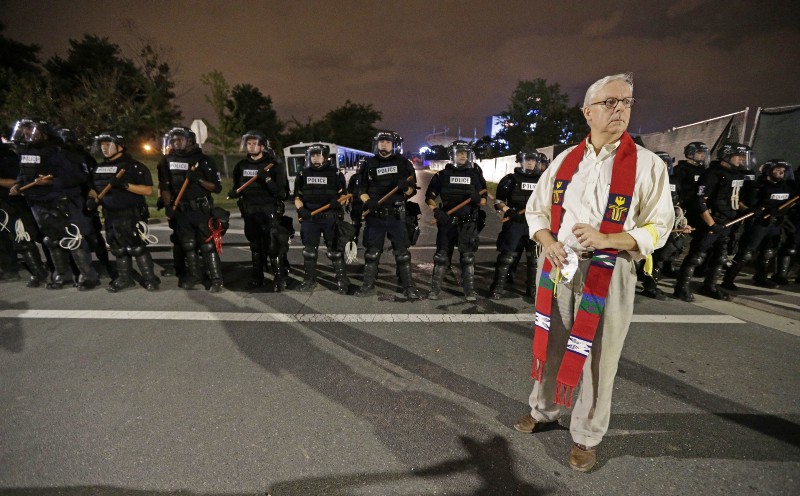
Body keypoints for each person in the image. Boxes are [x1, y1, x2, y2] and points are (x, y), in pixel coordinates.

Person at [513, 73, 674, 472]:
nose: (620, 109)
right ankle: (544, 409)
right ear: (588, 112)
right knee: (551, 342)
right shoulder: (567, 160)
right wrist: (547, 241)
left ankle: (586, 435)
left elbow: (660, 226)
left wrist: (609, 239)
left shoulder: (647, 165)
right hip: (557, 264)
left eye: (627, 102)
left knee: (599, 357)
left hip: (609, 269)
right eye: (610, 102)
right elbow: (535, 211)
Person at [8, 118, 100, 290]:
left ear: (43, 132)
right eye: (25, 130)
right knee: (51, 240)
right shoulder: (27, 152)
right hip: (38, 203)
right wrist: (19, 185)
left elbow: (79, 177)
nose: (27, 134)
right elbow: (24, 173)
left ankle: (88, 276)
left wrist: (52, 182)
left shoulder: (61, 151)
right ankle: (61, 274)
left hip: (62, 201)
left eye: (30, 130)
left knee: (74, 239)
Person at [673, 143, 752, 302]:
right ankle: (681, 288)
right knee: (696, 257)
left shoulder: (737, 175)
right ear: (727, 156)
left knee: (720, 257)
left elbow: (733, 198)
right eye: (739, 156)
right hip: (712, 222)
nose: (742, 160)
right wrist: (711, 223)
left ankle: (710, 286)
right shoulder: (712, 174)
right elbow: (700, 200)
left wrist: (747, 209)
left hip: (728, 222)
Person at [87, 131, 160, 292]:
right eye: (102, 145)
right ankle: (125, 279)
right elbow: (94, 189)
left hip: (131, 213)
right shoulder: (98, 168)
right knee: (118, 248)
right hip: (110, 214)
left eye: (108, 145)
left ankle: (150, 279)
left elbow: (147, 190)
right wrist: (92, 199)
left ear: (119, 146)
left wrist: (126, 185)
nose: (104, 149)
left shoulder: (133, 167)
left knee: (137, 247)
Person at [157, 127, 223, 292]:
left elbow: (216, 187)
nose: (176, 143)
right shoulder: (166, 161)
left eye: (180, 139)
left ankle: (216, 279)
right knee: (188, 244)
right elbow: (165, 186)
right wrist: (167, 206)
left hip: (201, 209)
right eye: (173, 140)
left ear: (190, 141)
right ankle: (195, 275)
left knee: (207, 246)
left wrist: (199, 180)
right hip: (181, 211)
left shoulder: (204, 160)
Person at [355, 131, 420, 299]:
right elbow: (361, 190)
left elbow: (412, 191)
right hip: (375, 215)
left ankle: (408, 286)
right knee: (372, 253)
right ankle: (367, 285)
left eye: (387, 142)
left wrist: (405, 187)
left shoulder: (404, 163)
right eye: (381, 142)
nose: (384, 144)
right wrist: (368, 201)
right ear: (376, 144)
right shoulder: (368, 163)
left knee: (402, 253)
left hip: (396, 216)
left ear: (393, 144)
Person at [425, 140, 487, 301]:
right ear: (452, 155)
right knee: (441, 257)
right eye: (459, 153)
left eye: (465, 153)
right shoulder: (442, 175)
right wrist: (436, 210)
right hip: (447, 222)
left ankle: (469, 291)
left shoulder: (475, 174)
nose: (462, 156)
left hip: (468, 223)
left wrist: (477, 200)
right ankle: (434, 290)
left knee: (467, 258)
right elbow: (429, 198)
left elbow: (484, 201)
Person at [228, 130, 289, 291]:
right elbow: (237, 186)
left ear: (262, 146)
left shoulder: (273, 166)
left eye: (255, 143)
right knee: (255, 246)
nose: (251, 146)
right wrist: (234, 192)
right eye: (249, 143)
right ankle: (257, 277)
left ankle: (279, 278)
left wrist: (267, 179)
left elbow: (282, 193)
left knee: (273, 245)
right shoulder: (241, 166)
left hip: (269, 211)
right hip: (250, 211)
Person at [722, 160, 794, 289]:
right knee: (746, 253)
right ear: (768, 170)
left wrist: (782, 211)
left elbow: (789, 203)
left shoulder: (786, 186)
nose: (781, 172)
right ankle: (728, 279)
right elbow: (743, 203)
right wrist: (756, 210)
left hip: (775, 223)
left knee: (768, 252)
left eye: (783, 170)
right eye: (777, 169)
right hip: (759, 224)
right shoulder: (757, 187)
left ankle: (761, 277)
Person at [292, 143, 350, 294]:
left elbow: (344, 196)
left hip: (330, 217)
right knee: (309, 251)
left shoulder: (335, 173)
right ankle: (309, 280)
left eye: (318, 155)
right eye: (312, 155)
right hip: (310, 218)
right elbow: (297, 197)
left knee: (335, 252)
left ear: (325, 157)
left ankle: (342, 281)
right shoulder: (303, 174)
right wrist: (301, 209)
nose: (315, 158)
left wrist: (338, 202)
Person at [490, 151, 547, 299]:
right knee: (507, 257)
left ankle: (532, 289)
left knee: (534, 259)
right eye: (527, 160)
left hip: (535, 224)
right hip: (515, 223)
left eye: (533, 160)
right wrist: (507, 211)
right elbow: (498, 201)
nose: (530, 163)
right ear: (520, 161)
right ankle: (498, 287)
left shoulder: (544, 180)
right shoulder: (510, 179)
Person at [639, 151, 693, 299]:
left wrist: (682, 220)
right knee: (650, 255)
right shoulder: (645, 178)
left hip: (668, 223)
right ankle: (649, 285)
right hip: (650, 222)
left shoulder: (674, 181)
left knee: (661, 256)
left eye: (666, 163)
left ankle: (650, 284)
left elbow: (678, 202)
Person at [0, 139, 49, 285]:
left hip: (14, 203)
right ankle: (13, 270)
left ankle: (41, 272)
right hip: (5, 205)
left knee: (25, 238)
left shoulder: (8, 157)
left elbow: (18, 182)